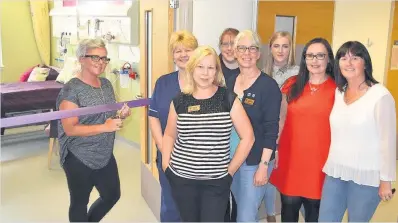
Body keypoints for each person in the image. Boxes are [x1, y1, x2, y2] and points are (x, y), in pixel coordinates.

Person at [161, 45, 255, 222]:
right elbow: (169, 135)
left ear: (216, 71)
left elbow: (248, 137)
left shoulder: (228, 99)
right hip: (182, 180)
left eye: (210, 67)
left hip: (216, 183)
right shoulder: (179, 100)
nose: (205, 73)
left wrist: (230, 171)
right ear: (192, 68)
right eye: (200, 66)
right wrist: (166, 165)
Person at [319, 41, 396, 222]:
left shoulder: (380, 96)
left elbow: (388, 141)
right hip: (336, 172)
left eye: (355, 58)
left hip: (366, 176)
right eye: (344, 58)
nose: (349, 63)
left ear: (365, 63)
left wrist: (386, 180)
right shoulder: (339, 92)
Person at [56, 38, 131, 222]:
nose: (102, 63)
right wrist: (105, 127)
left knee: (112, 195)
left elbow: (108, 119)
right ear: (82, 59)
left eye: (105, 59)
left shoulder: (106, 84)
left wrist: (120, 116)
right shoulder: (71, 90)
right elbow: (70, 129)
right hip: (78, 156)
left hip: (104, 153)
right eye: (95, 58)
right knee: (80, 203)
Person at [269, 38, 336, 222]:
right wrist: (276, 147)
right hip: (291, 159)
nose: (315, 60)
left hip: (320, 162)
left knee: (315, 213)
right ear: (304, 59)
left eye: (320, 55)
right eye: (310, 55)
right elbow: (281, 119)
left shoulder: (338, 89)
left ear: (329, 59)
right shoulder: (292, 84)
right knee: (288, 211)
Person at [226, 30, 282, 222]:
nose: (246, 53)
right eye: (241, 48)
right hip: (231, 158)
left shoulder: (269, 86)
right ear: (235, 52)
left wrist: (264, 166)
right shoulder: (230, 81)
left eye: (252, 48)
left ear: (258, 54)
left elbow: (271, 130)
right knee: (238, 212)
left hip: (254, 162)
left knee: (246, 217)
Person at [148, 30, 198, 222]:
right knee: (170, 206)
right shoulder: (163, 82)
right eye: (177, 51)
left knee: (193, 207)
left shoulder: (206, 82)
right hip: (168, 156)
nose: (183, 55)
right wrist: (163, 147)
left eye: (188, 50)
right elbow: (153, 116)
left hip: (197, 161)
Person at [261, 31, 300, 222]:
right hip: (269, 132)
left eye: (285, 46)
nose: (281, 50)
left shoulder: (300, 73)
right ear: (270, 48)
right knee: (268, 171)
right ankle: (270, 215)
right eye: (276, 45)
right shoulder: (262, 72)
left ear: (291, 49)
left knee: (293, 181)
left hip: (291, 133)